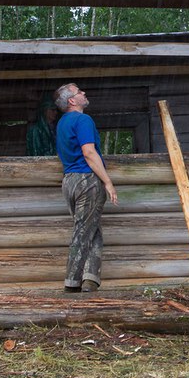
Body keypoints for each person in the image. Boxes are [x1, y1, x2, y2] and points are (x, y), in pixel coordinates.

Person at [54, 83, 118, 292]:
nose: (84, 92)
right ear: (72, 101)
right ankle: (71, 283)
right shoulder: (83, 120)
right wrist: (107, 182)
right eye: (79, 91)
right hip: (86, 180)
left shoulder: (62, 123)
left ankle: (90, 279)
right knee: (83, 231)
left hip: (69, 181)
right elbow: (89, 153)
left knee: (91, 229)